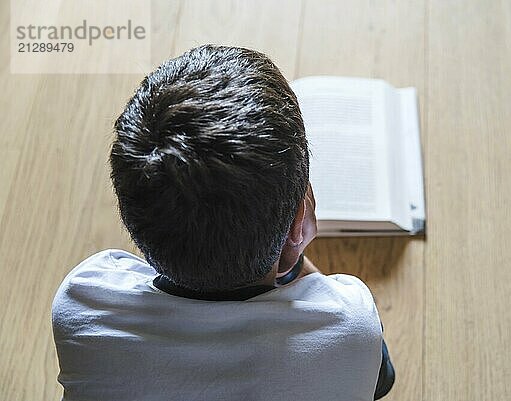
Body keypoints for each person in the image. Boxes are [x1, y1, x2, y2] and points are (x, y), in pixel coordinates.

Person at [52, 45, 395, 401]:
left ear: (130, 217)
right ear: (300, 224)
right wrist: (294, 255)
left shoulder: (84, 306)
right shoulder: (350, 327)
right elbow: (379, 380)